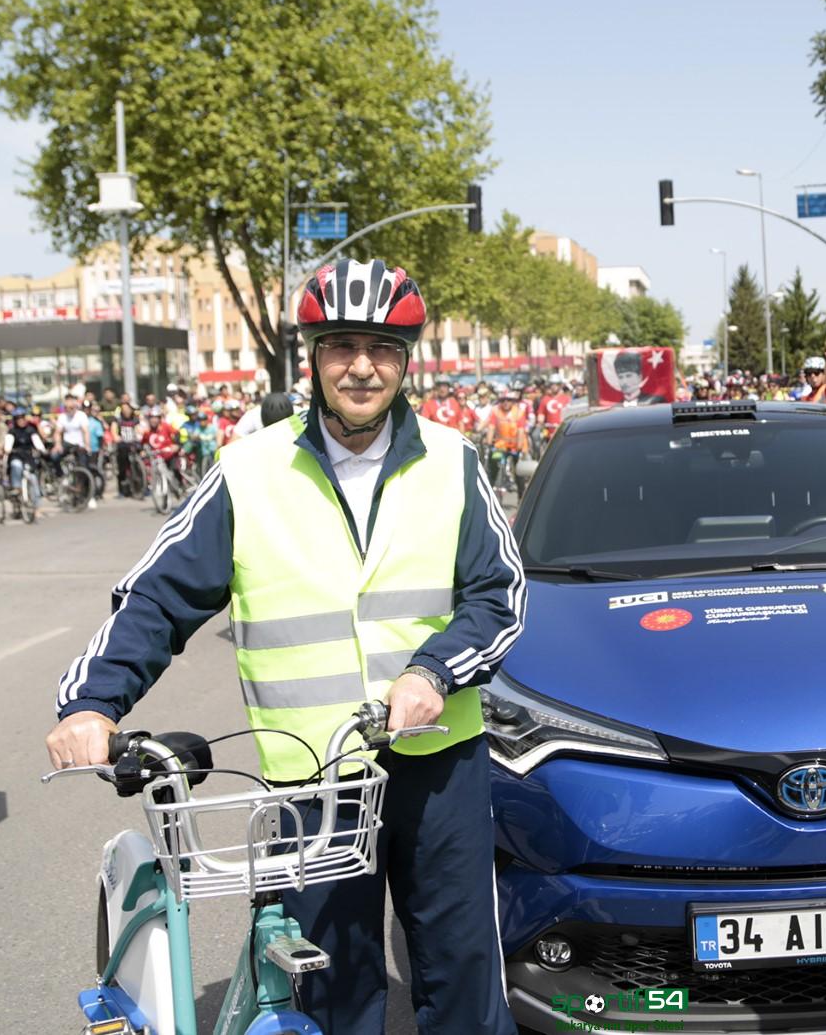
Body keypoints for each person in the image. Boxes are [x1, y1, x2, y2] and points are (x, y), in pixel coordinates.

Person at [47, 259, 523, 1035]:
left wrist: (436, 670)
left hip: (440, 771)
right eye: (340, 345)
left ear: (407, 359)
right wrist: (93, 702)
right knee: (329, 997)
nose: (362, 365)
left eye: (382, 346)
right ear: (311, 356)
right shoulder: (248, 470)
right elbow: (155, 596)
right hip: (311, 781)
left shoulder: (454, 461)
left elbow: (499, 596)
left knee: (466, 983)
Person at [4, 407, 47, 516]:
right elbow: (8, 443)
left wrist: (42, 449)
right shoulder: (12, 431)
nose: (21, 420)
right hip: (16, 456)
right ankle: (16, 488)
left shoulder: (30, 430)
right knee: (16, 466)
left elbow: (37, 441)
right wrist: (7, 449)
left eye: (22, 417)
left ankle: (36, 507)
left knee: (32, 478)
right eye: (18, 418)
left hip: (28, 457)